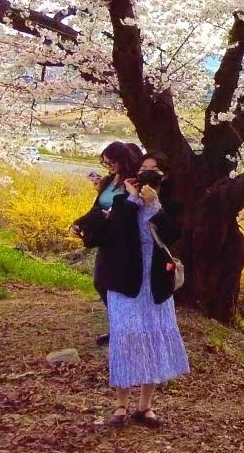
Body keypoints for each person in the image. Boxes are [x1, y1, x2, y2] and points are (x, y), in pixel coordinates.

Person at [79, 168, 188, 428]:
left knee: (153, 338)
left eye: (154, 182)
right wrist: (130, 199)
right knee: (125, 338)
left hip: (155, 286)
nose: (147, 186)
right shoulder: (122, 204)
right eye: (142, 180)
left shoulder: (163, 208)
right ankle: (120, 405)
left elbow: (172, 235)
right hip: (124, 283)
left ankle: (145, 406)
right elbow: (116, 232)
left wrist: (155, 206)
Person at [72, 141, 141, 345]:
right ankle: (119, 328)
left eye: (112, 162)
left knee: (117, 285)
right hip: (105, 239)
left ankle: (125, 330)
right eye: (105, 162)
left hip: (122, 240)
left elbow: (132, 209)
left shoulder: (131, 182)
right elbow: (96, 208)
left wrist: (115, 214)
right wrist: (78, 223)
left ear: (123, 160)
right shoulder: (109, 181)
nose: (109, 166)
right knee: (101, 282)